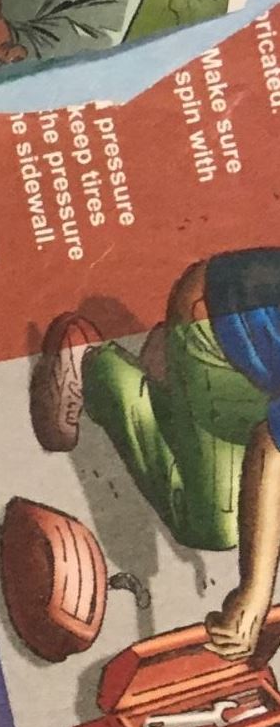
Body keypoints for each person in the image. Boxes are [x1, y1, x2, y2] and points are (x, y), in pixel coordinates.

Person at [34, 252, 280, 658]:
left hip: (252, 330)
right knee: (215, 525)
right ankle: (96, 369)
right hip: (211, 324)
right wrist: (254, 597)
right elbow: (269, 450)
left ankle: (173, 376)